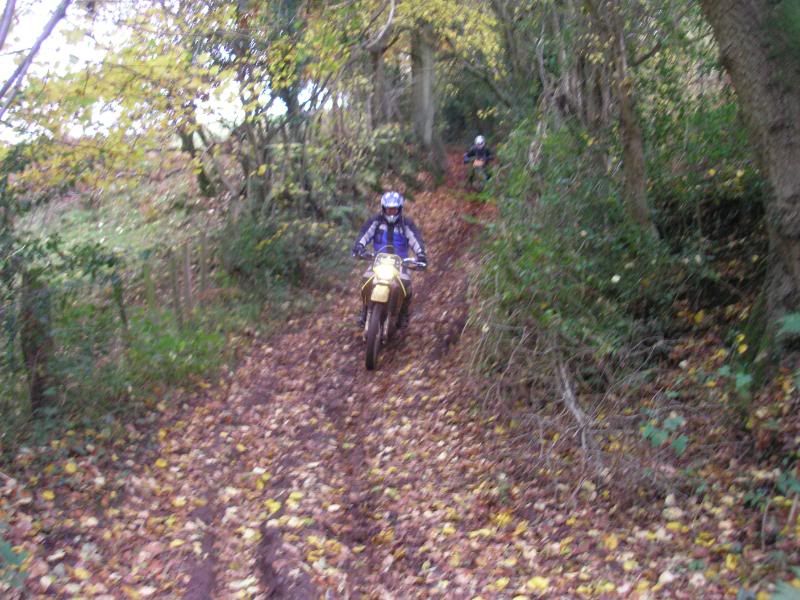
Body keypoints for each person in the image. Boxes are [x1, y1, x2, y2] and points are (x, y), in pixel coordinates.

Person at [351, 191, 427, 328]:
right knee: (365, 280)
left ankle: (403, 313)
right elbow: (364, 234)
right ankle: (364, 309)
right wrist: (359, 247)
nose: (391, 213)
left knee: (406, 284)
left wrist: (421, 255)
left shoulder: (406, 224)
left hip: (400, 262)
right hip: (378, 260)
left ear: (399, 209)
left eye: (394, 209)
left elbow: (416, 240)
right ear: (383, 208)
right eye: (388, 209)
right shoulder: (375, 221)